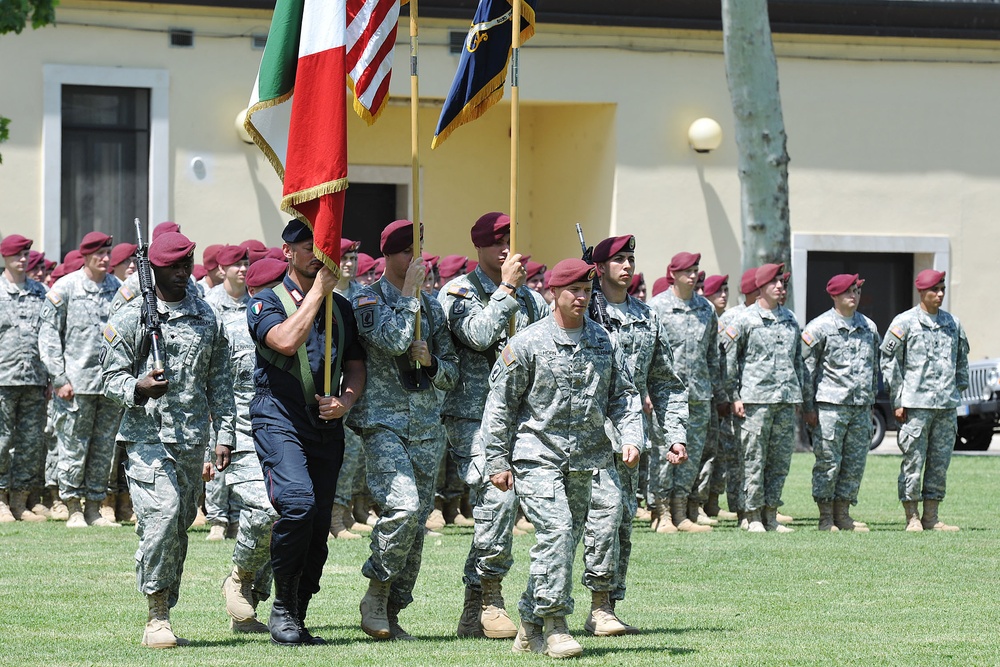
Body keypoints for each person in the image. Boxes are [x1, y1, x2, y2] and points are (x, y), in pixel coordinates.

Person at [482, 258, 646, 659]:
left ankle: (528, 622)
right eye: (574, 290)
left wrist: (631, 436)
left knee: (564, 542)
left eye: (588, 291)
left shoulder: (602, 340)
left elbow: (623, 395)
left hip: (585, 460)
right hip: (536, 455)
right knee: (556, 532)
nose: (581, 297)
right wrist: (497, 461)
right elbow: (500, 405)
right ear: (553, 293)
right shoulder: (527, 342)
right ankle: (556, 626)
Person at [101, 231, 236, 648]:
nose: (181, 273)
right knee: (163, 515)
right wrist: (138, 388)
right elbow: (108, 376)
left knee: (177, 530)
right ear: (154, 269)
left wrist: (224, 433)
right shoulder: (132, 315)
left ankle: (165, 602)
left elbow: (219, 380)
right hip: (146, 437)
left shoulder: (204, 315)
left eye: (185, 265)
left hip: (191, 438)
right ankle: (156, 615)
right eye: (172, 267)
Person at [247, 220, 366, 645]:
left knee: (317, 527)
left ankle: (297, 612)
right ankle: (280, 606)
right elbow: (284, 341)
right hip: (279, 417)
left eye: (323, 246)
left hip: (324, 424)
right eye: (306, 246)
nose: (317, 253)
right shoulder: (267, 302)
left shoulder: (343, 309)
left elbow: (354, 365)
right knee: (297, 504)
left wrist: (345, 402)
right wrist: (319, 291)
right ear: (287, 252)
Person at [437, 211, 548, 640]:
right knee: (497, 498)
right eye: (497, 241)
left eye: (511, 240)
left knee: (497, 510)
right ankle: (490, 595)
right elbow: (479, 335)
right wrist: (506, 290)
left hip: (518, 417)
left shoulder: (532, 300)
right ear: (479, 247)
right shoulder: (459, 292)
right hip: (472, 416)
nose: (506, 248)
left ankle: (472, 610)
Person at [348, 219, 459, 641]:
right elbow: (393, 341)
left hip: (427, 426)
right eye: (407, 252)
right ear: (389, 257)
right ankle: (375, 592)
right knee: (404, 507)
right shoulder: (366, 299)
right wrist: (410, 295)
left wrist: (432, 362)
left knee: (417, 526)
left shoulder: (432, 307)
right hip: (384, 424)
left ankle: (393, 611)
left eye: (420, 250)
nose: (417, 260)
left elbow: (451, 373)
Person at [582, 235, 688, 635]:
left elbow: (666, 382)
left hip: (628, 437)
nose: (627, 266)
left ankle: (604, 604)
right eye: (618, 260)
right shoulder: (581, 310)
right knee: (584, 523)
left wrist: (673, 433)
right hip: (582, 433)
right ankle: (553, 608)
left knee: (620, 520)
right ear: (599, 268)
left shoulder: (647, 316)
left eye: (631, 259)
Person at [209, 257, 288, 633]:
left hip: (286, 436)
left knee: (287, 516)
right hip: (242, 436)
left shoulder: (300, 326)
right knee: (266, 510)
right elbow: (212, 389)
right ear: (254, 292)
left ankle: (251, 603)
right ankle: (238, 577)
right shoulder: (227, 328)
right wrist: (215, 441)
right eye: (272, 287)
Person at [38, 231, 123, 528]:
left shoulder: (118, 288)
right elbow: (49, 336)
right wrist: (59, 377)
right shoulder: (67, 287)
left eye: (107, 252)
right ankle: (73, 505)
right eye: (99, 253)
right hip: (75, 385)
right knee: (74, 446)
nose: (105, 258)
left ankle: (95, 507)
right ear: (85, 256)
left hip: (109, 385)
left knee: (104, 449)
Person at [880, 269, 968, 532]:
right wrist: (898, 398)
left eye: (942, 288)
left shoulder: (953, 323)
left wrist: (957, 390)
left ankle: (932, 516)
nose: (940, 294)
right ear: (921, 292)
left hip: (945, 406)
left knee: (940, 463)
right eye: (935, 289)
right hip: (915, 405)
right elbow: (889, 360)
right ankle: (912, 517)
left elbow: (962, 359)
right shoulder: (904, 322)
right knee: (913, 462)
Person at [725, 263, 810, 533]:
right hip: (755, 401)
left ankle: (771, 514)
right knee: (753, 459)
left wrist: (798, 396)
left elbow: (798, 361)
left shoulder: (790, 319)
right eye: (774, 283)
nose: (780, 287)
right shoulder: (745, 320)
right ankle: (751, 516)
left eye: (782, 283)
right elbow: (729, 361)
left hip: (784, 400)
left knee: (779, 460)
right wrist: (734, 396)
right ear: (761, 286)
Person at [647, 251, 726, 533]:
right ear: (673, 274)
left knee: (690, 455)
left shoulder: (706, 309)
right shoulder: (656, 308)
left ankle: (681, 512)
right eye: (687, 271)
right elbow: (648, 355)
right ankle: (662, 512)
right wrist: (646, 391)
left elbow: (712, 356)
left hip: (699, 393)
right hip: (666, 395)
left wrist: (717, 391)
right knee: (663, 453)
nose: (693, 275)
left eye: (695, 270)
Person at [801, 274, 879, 532]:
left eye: (856, 291)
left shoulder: (869, 327)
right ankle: (825, 516)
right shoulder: (818, 328)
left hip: (860, 407)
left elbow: (874, 368)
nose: (853, 296)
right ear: (834, 295)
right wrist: (808, 408)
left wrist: (871, 405)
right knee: (828, 462)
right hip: (830, 407)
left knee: (854, 463)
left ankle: (843, 514)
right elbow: (807, 370)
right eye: (848, 292)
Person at [203, 245, 252, 541]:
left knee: (243, 453)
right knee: (217, 449)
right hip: (219, 389)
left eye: (246, 264)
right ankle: (218, 519)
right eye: (237, 265)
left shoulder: (254, 303)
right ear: (222, 270)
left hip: (247, 393)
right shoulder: (209, 303)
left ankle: (238, 516)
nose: (243, 269)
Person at [0, 235, 50, 522]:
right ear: (5, 257)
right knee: (2, 440)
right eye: (17, 254)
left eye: (26, 254)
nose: (23, 259)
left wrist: (51, 376)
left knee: (31, 442)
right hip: (3, 379)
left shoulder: (40, 292)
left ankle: (20, 500)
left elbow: (49, 335)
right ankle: (1, 500)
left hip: (34, 378)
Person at [701, 274, 739, 521]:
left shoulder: (721, 323)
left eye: (726, 290)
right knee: (703, 453)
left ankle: (712, 502)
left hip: (720, 395)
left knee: (719, 453)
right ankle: (698, 504)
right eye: (718, 291)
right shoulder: (705, 320)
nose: (723, 295)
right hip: (705, 394)